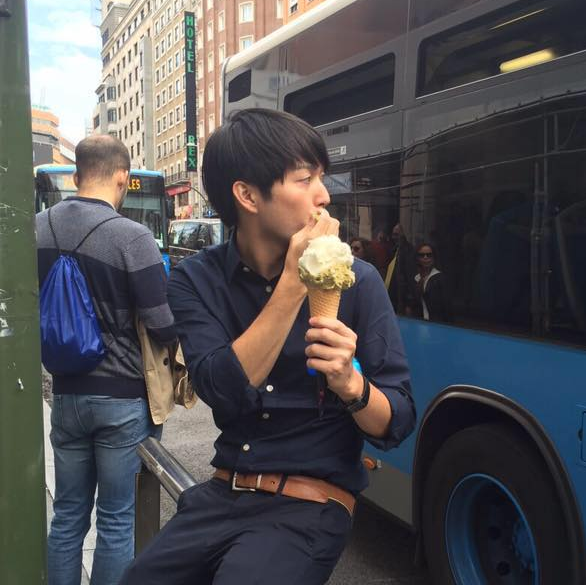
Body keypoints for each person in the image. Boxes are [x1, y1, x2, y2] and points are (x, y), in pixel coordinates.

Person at [121, 109, 415, 585]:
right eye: (305, 179)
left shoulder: (357, 281)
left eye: (322, 177)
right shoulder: (195, 280)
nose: (324, 195)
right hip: (224, 491)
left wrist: (351, 384)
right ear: (248, 195)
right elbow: (221, 389)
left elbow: (397, 421)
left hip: (311, 501)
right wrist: (294, 282)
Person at [36, 135, 176, 585]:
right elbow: (161, 322)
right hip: (122, 398)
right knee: (117, 520)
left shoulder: (36, 228)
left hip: (66, 394)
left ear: (77, 175)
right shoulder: (132, 237)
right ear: (122, 177)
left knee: (67, 515)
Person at [413, 243, 452, 323]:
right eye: (422, 255)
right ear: (417, 258)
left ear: (434, 258)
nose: (425, 257)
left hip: (436, 324)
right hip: (419, 322)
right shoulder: (416, 278)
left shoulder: (440, 279)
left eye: (429, 255)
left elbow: (447, 307)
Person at [385, 222, 416, 315]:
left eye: (396, 234)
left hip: (401, 298)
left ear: (403, 235)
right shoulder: (394, 250)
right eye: (393, 234)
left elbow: (410, 276)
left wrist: (409, 303)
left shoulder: (408, 251)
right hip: (392, 296)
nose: (394, 237)